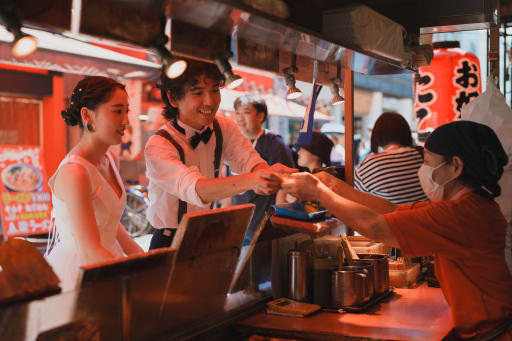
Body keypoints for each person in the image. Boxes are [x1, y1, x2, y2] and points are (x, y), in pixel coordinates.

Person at [282, 121, 512, 340]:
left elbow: (375, 226)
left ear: (455, 166)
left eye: (428, 161)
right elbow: (391, 209)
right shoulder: (469, 207)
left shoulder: (461, 215)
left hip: (493, 334)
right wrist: (336, 187)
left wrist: (319, 194)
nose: (423, 169)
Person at [144, 60, 295, 250]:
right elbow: (195, 189)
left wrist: (266, 174)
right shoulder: (159, 145)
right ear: (174, 98)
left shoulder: (223, 127)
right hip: (169, 241)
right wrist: (252, 180)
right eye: (198, 93)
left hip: (206, 235)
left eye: (215, 90)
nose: (210, 101)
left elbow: (248, 159)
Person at [45, 76, 143, 292]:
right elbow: (90, 249)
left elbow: (110, 223)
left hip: (109, 259)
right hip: (82, 270)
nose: (126, 119)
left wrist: (144, 259)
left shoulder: (110, 159)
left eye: (127, 111)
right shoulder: (75, 172)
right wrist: (128, 281)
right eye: (117, 111)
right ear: (87, 115)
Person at [230, 94, 295, 243]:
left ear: (260, 116)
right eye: (237, 113)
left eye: (246, 113)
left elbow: (286, 185)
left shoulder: (273, 143)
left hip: (263, 227)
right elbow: (230, 185)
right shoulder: (235, 144)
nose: (240, 118)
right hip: (239, 225)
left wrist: (278, 223)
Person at [355, 112, 427, 204]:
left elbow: (355, 198)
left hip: (390, 217)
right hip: (423, 216)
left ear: (377, 135)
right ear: (406, 133)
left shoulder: (371, 163)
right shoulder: (422, 156)